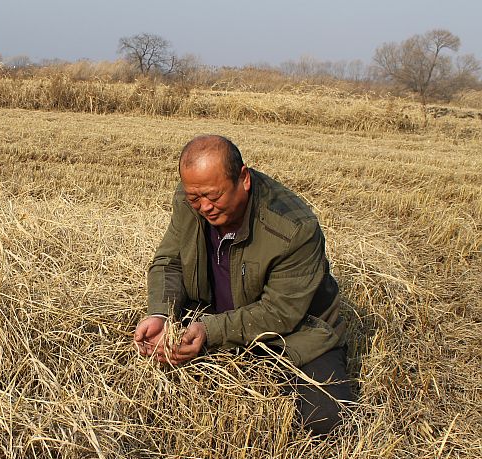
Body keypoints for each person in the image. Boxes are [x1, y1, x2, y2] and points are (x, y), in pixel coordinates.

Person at [134, 135, 354, 435]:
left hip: (295, 331)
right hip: (215, 311)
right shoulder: (193, 199)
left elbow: (281, 312)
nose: (205, 207)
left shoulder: (294, 228)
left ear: (244, 179)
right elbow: (169, 262)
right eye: (194, 198)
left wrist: (209, 331)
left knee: (327, 419)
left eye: (213, 196)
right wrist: (161, 314)